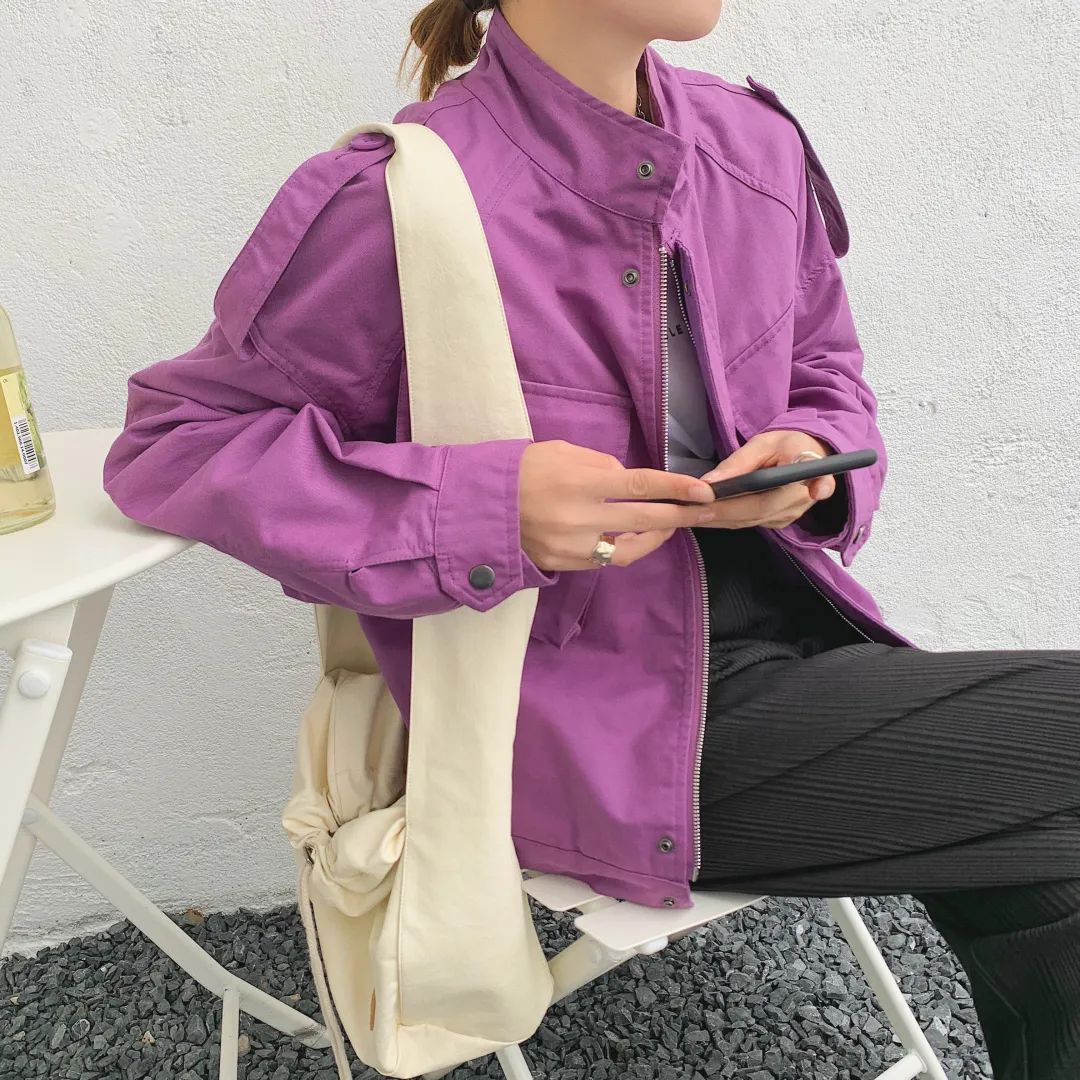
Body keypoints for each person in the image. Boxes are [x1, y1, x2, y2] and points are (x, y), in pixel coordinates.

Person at [102, 1, 1079, 1076]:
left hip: (799, 634)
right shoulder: (398, 199)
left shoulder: (753, 147)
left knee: (1053, 872)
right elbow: (177, 444)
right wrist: (488, 507)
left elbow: (826, 368)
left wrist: (808, 455)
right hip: (590, 726)